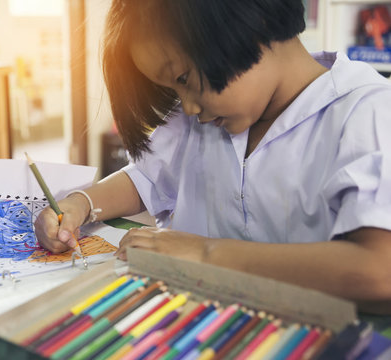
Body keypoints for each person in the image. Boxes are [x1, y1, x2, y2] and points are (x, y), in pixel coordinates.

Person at [34, 0, 391, 314]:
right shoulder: (201, 117)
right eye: (172, 89)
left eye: (185, 78)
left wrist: (206, 255)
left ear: (252, 23)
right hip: (193, 326)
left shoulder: (368, 113)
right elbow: (145, 177)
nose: (188, 106)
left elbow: (379, 271)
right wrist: (80, 204)